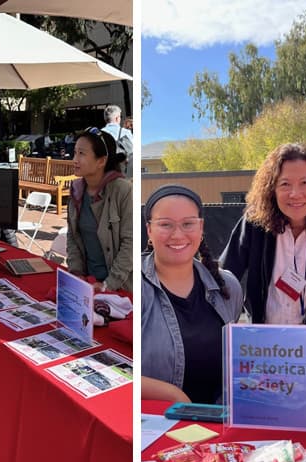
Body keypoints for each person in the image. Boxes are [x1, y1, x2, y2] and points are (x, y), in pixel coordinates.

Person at [221, 143, 306, 325]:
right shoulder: (255, 224)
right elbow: (226, 274)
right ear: (273, 189)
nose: (295, 194)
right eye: (285, 184)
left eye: (305, 183)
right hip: (264, 340)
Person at [142, 185, 243, 404]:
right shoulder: (136, 286)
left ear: (201, 227)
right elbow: (118, 367)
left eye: (188, 224)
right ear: (149, 230)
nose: (177, 235)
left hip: (218, 421)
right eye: (165, 224)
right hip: (158, 426)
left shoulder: (228, 286)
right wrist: (173, 395)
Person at [66, 128, 133, 292]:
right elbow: (72, 237)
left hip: (119, 288)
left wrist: (108, 285)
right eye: (74, 152)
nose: (75, 159)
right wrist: (76, 274)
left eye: (81, 153)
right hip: (87, 284)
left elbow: (130, 243)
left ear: (101, 161)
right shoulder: (76, 190)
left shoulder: (123, 190)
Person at [101, 104, 134, 178]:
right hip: (121, 173)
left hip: (103, 174)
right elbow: (132, 153)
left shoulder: (99, 134)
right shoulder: (125, 132)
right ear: (117, 118)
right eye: (120, 117)